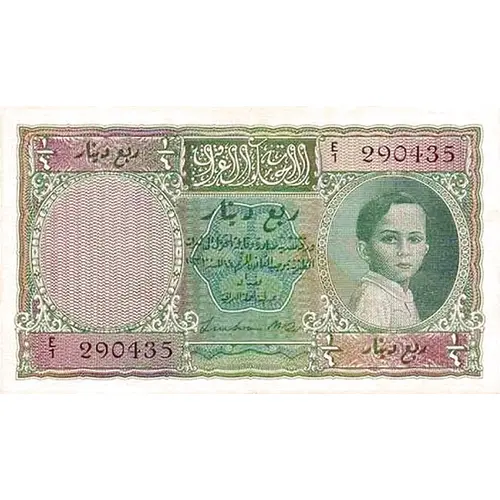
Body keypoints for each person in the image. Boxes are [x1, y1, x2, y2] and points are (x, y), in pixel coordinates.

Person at [349, 192, 429, 328]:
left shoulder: (403, 293)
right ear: (365, 251)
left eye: (414, 239)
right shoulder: (373, 297)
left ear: (425, 249)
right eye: (390, 239)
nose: (404, 251)